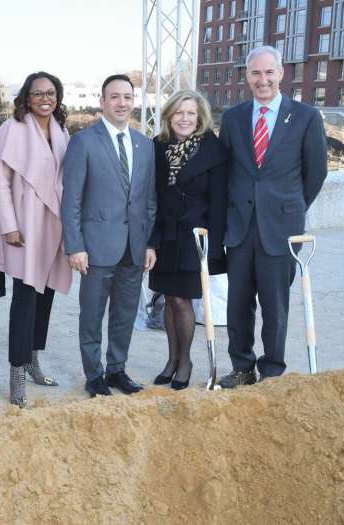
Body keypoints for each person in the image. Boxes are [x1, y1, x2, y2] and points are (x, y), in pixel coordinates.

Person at [216, 45, 328, 388]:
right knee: (237, 305)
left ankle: (272, 372)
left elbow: (316, 173)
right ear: (246, 77)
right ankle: (242, 367)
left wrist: (289, 207)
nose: (262, 79)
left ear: (281, 73)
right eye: (255, 73)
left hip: (280, 229)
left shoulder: (306, 117)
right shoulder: (233, 117)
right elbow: (225, 171)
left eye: (268, 72)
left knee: (275, 307)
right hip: (239, 229)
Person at [61, 74, 157, 398]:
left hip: (134, 247)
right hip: (96, 248)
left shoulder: (145, 145)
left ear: (134, 101)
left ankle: (117, 369)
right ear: (102, 101)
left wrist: (150, 243)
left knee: (125, 314)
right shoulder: (84, 142)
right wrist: (75, 246)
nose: (122, 103)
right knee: (92, 316)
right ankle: (95, 375)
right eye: (114, 97)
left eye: (127, 97)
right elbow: (71, 199)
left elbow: (149, 200)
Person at [0, 71, 72, 407]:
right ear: (27, 96)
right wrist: (9, 225)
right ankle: (16, 372)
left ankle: (34, 360)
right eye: (38, 93)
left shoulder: (62, 130)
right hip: (23, 225)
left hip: (53, 224)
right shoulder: (12, 128)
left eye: (51, 93)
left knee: (45, 296)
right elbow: (1, 180)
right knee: (24, 299)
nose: (45, 98)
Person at [146, 89, 229, 390]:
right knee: (168, 299)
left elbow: (219, 201)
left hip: (196, 238)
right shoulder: (157, 146)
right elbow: (151, 195)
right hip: (164, 236)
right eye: (179, 112)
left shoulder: (212, 149)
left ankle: (185, 362)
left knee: (182, 301)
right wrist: (149, 241)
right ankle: (171, 359)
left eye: (190, 113)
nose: (184, 118)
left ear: (200, 117)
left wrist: (215, 248)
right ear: (169, 115)